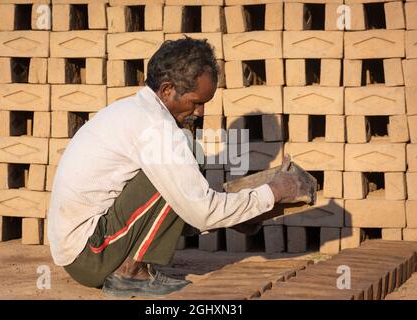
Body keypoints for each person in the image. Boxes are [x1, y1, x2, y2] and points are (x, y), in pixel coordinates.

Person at [47, 37, 307, 297]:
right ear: (168, 89)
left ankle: (130, 266)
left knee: (184, 160)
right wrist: (273, 192)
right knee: (186, 155)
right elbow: (199, 211)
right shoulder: (155, 128)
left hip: (85, 250)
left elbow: (183, 207)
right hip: (91, 254)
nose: (201, 112)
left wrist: (234, 218)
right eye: (196, 102)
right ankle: (130, 272)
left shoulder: (136, 111)